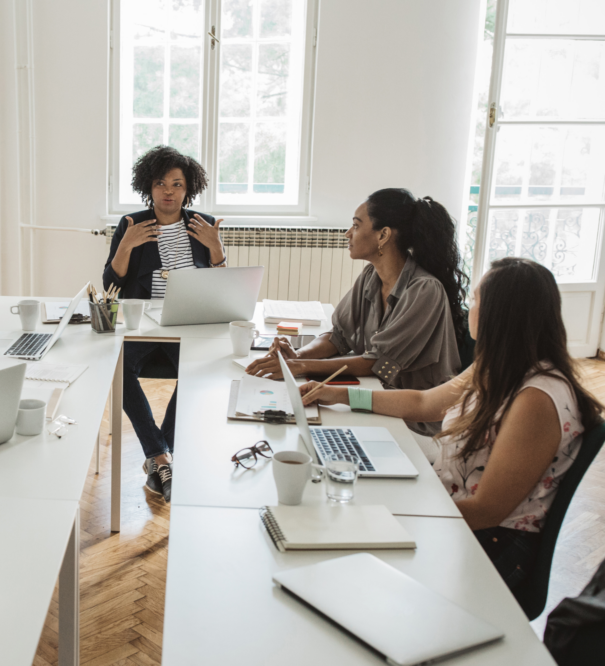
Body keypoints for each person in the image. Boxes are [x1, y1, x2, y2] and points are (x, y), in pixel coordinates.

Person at [301, 258, 603, 593]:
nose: (469, 307)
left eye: (475, 300)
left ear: (498, 314)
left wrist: (394, 516)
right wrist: (338, 394)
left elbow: (486, 510)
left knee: (338, 545)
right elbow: (424, 403)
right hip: (453, 515)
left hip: (489, 546)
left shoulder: (536, 399)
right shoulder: (499, 366)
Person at [246, 188, 468, 436]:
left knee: (316, 430)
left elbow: (377, 364)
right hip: (376, 396)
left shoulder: (425, 290)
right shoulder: (371, 276)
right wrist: (297, 355)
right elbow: (338, 337)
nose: (347, 233)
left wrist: (298, 366)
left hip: (418, 421)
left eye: (356, 225)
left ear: (383, 235)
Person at [103, 145, 227, 501]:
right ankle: (160, 455)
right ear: (149, 187)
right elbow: (111, 285)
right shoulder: (131, 224)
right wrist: (125, 246)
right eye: (161, 183)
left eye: (177, 184)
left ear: (188, 189)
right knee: (118, 367)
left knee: (201, 372)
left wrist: (216, 250)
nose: (169, 191)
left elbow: (220, 287)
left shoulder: (201, 224)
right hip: (142, 324)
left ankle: (158, 456)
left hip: (188, 324)